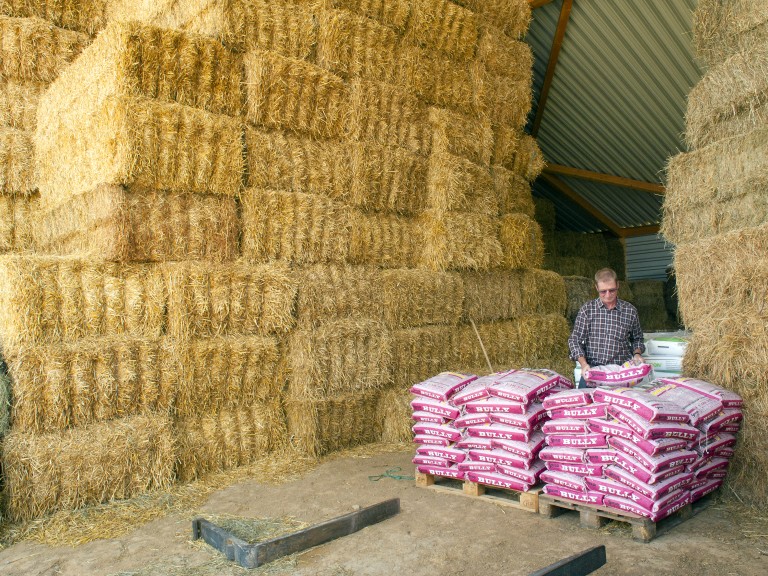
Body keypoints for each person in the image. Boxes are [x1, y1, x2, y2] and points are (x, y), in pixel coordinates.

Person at [568, 268, 645, 389]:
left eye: (612, 290)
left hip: (620, 373)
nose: (608, 295)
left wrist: (637, 353)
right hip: (592, 371)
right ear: (596, 288)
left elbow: (637, 338)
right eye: (603, 291)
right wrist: (583, 364)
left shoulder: (630, 311)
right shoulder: (587, 310)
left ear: (618, 285)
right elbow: (574, 340)